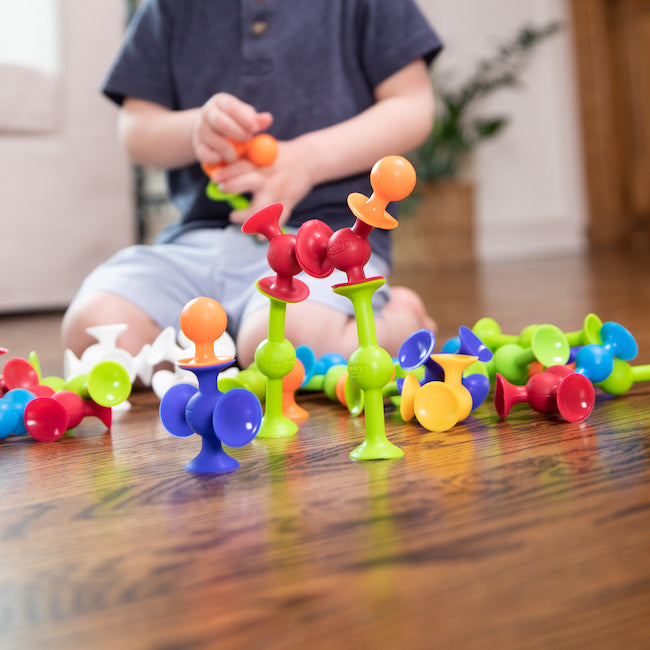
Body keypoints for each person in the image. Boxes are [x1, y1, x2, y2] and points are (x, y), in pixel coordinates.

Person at [62, 0, 443, 370]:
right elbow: (136, 129)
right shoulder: (169, 7)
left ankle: (399, 320)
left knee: (287, 342)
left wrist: (307, 161)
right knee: (95, 329)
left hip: (326, 248)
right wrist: (194, 129)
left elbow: (412, 106)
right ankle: (231, 347)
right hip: (196, 244)